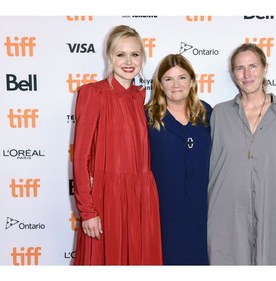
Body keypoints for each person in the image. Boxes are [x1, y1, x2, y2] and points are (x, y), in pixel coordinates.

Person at [207, 43, 276, 265]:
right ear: (233, 74)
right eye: (240, 68)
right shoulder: (219, 114)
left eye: (253, 66)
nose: (247, 74)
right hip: (227, 218)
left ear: (264, 69)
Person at [72, 25, 162, 265]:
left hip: (142, 197)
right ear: (109, 57)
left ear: (142, 57)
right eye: (120, 54)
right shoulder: (93, 93)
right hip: (106, 199)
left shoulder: (140, 97)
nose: (129, 61)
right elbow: (81, 158)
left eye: (134, 54)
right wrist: (87, 211)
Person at [145, 54, 212, 265]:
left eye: (182, 77)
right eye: (168, 79)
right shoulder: (146, 117)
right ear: (159, 84)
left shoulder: (207, 113)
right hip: (163, 211)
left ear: (192, 81)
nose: (176, 85)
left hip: (203, 210)